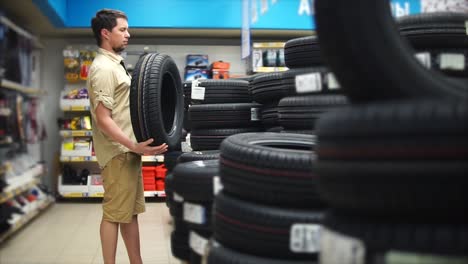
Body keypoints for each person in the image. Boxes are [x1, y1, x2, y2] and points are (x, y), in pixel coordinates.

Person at [88, 9, 168, 264]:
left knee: (129, 213)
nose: (128, 34)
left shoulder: (115, 65)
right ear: (105, 33)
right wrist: (133, 145)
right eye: (122, 30)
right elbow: (103, 118)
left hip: (128, 152)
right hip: (118, 153)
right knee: (113, 214)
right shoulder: (102, 68)